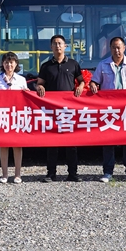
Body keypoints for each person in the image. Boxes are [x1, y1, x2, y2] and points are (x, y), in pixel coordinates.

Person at [89, 36, 126, 183]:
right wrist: (94, 85)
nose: (117, 50)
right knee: (108, 141)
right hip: (110, 110)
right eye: (114, 47)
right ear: (110, 48)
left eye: (119, 47)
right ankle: (107, 172)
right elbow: (95, 81)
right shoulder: (103, 65)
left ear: (124, 48)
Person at [36, 34, 85, 182]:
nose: (58, 46)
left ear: (65, 46)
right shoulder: (46, 66)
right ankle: (51, 174)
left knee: (71, 143)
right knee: (52, 143)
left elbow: (81, 81)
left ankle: (73, 173)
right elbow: (39, 83)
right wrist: (39, 87)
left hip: (68, 109)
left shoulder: (73, 64)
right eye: (55, 44)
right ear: (51, 47)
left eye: (60, 43)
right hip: (52, 110)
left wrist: (81, 87)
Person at [0, 52, 28, 183]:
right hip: (3, 116)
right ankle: (4, 174)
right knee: (4, 145)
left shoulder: (21, 80)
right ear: (3, 64)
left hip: (17, 116)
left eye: (11, 62)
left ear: (16, 64)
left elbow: (27, 97)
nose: (9, 65)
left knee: (17, 145)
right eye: (6, 62)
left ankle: (18, 174)